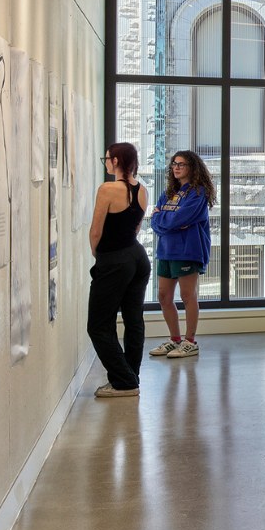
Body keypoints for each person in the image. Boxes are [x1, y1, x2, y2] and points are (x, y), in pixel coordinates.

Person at [86, 142, 151, 399]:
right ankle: (131, 377)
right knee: (134, 321)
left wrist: (99, 255)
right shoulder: (142, 190)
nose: (105, 162)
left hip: (115, 259)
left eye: (107, 158)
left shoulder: (107, 189)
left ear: (115, 161)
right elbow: (136, 228)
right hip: (138, 257)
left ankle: (124, 381)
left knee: (98, 325)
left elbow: (96, 231)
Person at [148, 150, 214, 359]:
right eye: (174, 164)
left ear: (192, 167)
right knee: (163, 296)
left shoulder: (198, 193)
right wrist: (168, 221)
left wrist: (166, 219)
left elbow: (178, 219)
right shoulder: (168, 193)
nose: (176, 167)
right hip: (166, 251)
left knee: (187, 296)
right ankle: (175, 339)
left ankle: (190, 342)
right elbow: (155, 222)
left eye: (181, 164)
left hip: (187, 251)